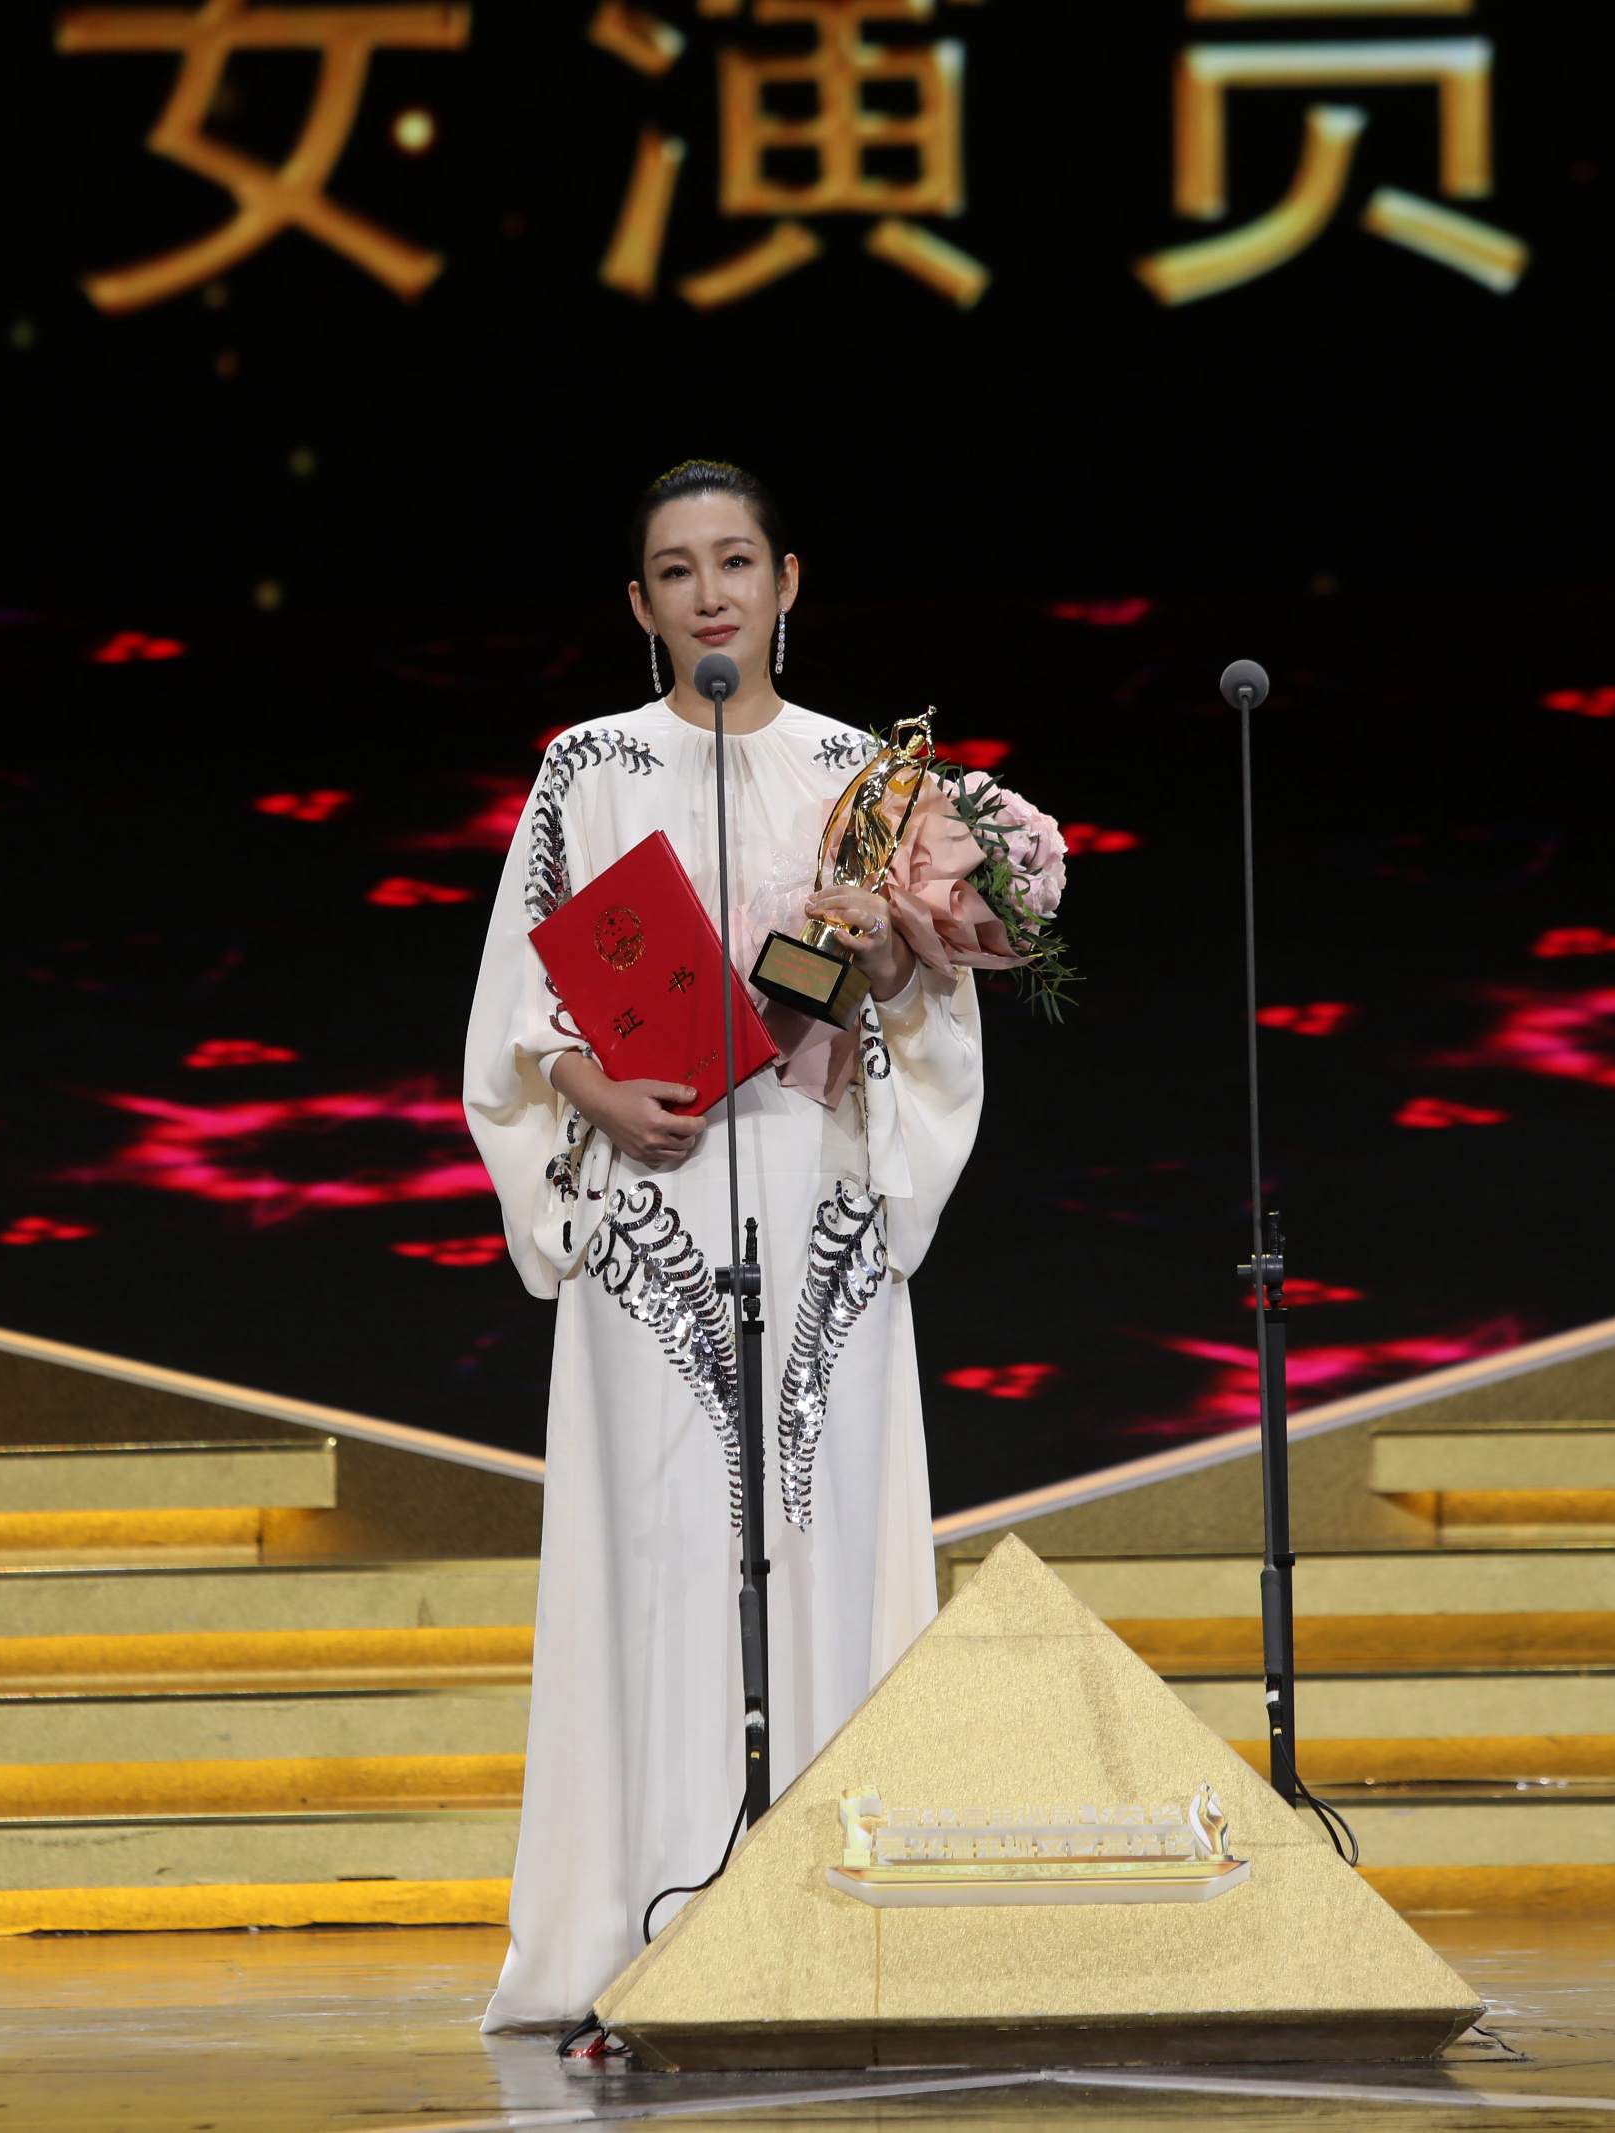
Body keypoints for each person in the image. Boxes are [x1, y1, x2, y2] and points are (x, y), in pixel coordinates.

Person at [462, 460, 987, 2034]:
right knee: (664, 1551)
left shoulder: (861, 777)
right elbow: (515, 1016)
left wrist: (893, 962)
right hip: (656, 1215)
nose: (711, 594)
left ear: (786, 581)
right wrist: (594, 1092)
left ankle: (835, 1926)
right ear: (640, 602)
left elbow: (931, 1016)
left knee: (818, 1542)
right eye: (679, 569)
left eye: (736, 561)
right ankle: (642, 1916)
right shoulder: (588, 767)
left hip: (819, 1205)